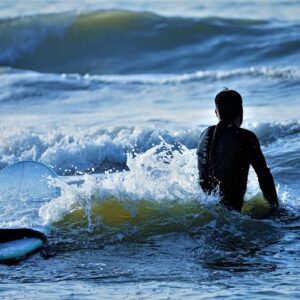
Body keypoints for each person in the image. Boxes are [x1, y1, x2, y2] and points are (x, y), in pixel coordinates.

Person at [197, 89, 279, 212]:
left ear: (216, 112)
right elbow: (264, 176)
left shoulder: (204, 134)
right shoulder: (245, 137)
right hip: (232, 215)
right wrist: (275, 208)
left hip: (206, 212)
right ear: (241, 112)